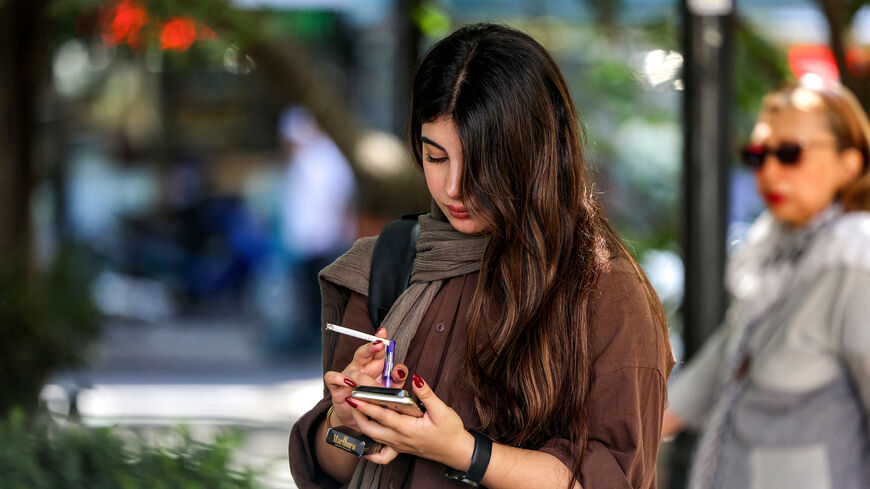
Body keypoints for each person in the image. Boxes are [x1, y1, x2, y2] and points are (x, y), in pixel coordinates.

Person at [290, 23, 674, 489]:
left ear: (534, 153)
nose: (454, 188)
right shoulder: (392, 263)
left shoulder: (602, 289)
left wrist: (463, 451)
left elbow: (613, 477)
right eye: (436, 157)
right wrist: (346, 423)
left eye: (481, 162)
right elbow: (331, 470)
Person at [662, 79, 870, 489]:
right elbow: (721, 362)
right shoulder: (772, 251)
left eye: (790, 153)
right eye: (757, 154)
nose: (770, 171)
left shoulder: (855, 262)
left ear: (850, 162)